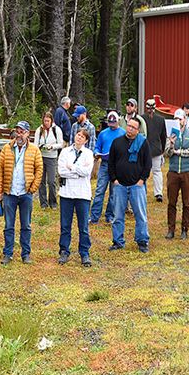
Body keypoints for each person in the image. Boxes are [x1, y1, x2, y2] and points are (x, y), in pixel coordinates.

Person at [0, 123, 41, 264]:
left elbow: (39, 170)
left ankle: (25, 254)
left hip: (25, 193)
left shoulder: (34, 150)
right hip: (10, 192)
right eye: (17, 131)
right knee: (8, 225)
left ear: (28, 133)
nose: (19, 134)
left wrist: (32, 189)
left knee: (26, 225)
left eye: (22, 132)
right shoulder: (6, 148)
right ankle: (8, 253)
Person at [107, 120, 152, 252]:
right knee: (117, 215)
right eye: (129, 126)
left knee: (140, 215)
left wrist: (142, 180)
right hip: (119, 185)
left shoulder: (143, 143)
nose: (130, 129)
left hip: (137, 185)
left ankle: (142, 241)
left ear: (138, 130)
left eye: (133, 127)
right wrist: (114, 179)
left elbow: (147, 164)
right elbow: (111, 163)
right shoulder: (117, 142)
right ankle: (118, 241)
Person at [56, 129, 98, 266]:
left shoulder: (88, 154)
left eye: (82, 137)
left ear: (86, 140)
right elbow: (61, 171)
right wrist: (77, 171)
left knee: (83, 226)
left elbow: (86, 173)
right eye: (78, 135)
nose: (79, 138)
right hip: (66, 193)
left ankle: (84, 253)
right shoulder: (65, 152)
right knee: (65, 224)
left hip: (82, 194)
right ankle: (64, 251)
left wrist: (72, 167)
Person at [163, 113, 189, 240]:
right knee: (171, 202)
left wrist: (178, 152)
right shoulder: (171, 134)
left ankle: (185, 229)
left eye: (180, 118)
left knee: (187, 202)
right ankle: (171, 229)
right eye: (176, 119)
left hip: (187, 171)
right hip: (173, 172)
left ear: (185, 119)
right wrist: (172, 144)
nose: (178, 121)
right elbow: (167, 153)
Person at [35, 113, 66, 207]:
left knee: (51, 181)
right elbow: (35, 143)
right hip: (41, 156)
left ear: (51, 121)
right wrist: (40, 147)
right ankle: (43, 203)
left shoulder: (56, 129)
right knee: (41, 180)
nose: (46, 123)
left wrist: (52, 146)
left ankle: (53, 202)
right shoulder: (39, 130)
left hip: (52, 157)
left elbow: (61, 144)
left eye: (48, 121)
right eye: (45, 121)